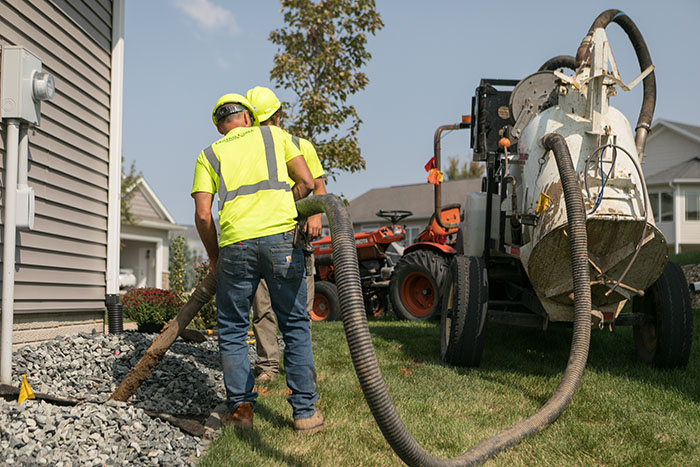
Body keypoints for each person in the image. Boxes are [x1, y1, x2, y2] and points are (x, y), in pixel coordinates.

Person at [191, 93, 324, 433]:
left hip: (235, 246)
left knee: (234, 329)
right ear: (248, 118)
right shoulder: (276, 136)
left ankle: (242, 412)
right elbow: (309, 183)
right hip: (281, 241)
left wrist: (215, 257)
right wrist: (281, 203)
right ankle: (305, 413)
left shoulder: (209, 154)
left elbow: (204, 216)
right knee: (294, 325)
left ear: (221, 126)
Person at [245, 86, 327, 385]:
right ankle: (268, 365)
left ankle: (300, 368)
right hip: (260, 233)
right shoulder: (247, 150)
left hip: (293, 234)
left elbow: (317, 185)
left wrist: (316, 214)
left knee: (297, 308)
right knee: (262, 305)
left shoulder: (297, 144)